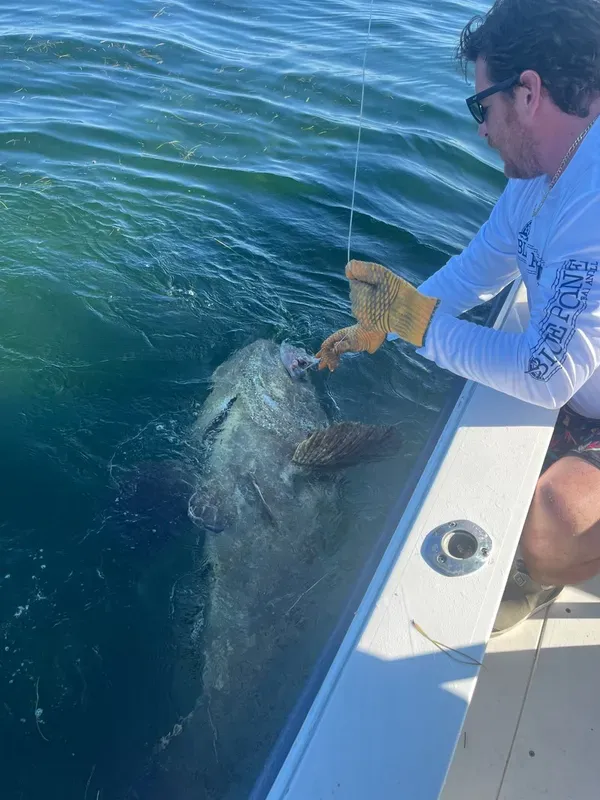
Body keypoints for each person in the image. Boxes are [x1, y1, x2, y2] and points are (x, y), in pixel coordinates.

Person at [317, 0, 600, 635]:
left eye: (482, 107)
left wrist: (415, 323)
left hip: (579, 399)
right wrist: (387, 322)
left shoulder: (595, 189)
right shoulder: (540, 178)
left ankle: (549, 565)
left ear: (527, 92)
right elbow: (475, 273)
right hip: (582, 396)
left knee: (552, 519)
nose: (480, 128)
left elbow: (546, 374)